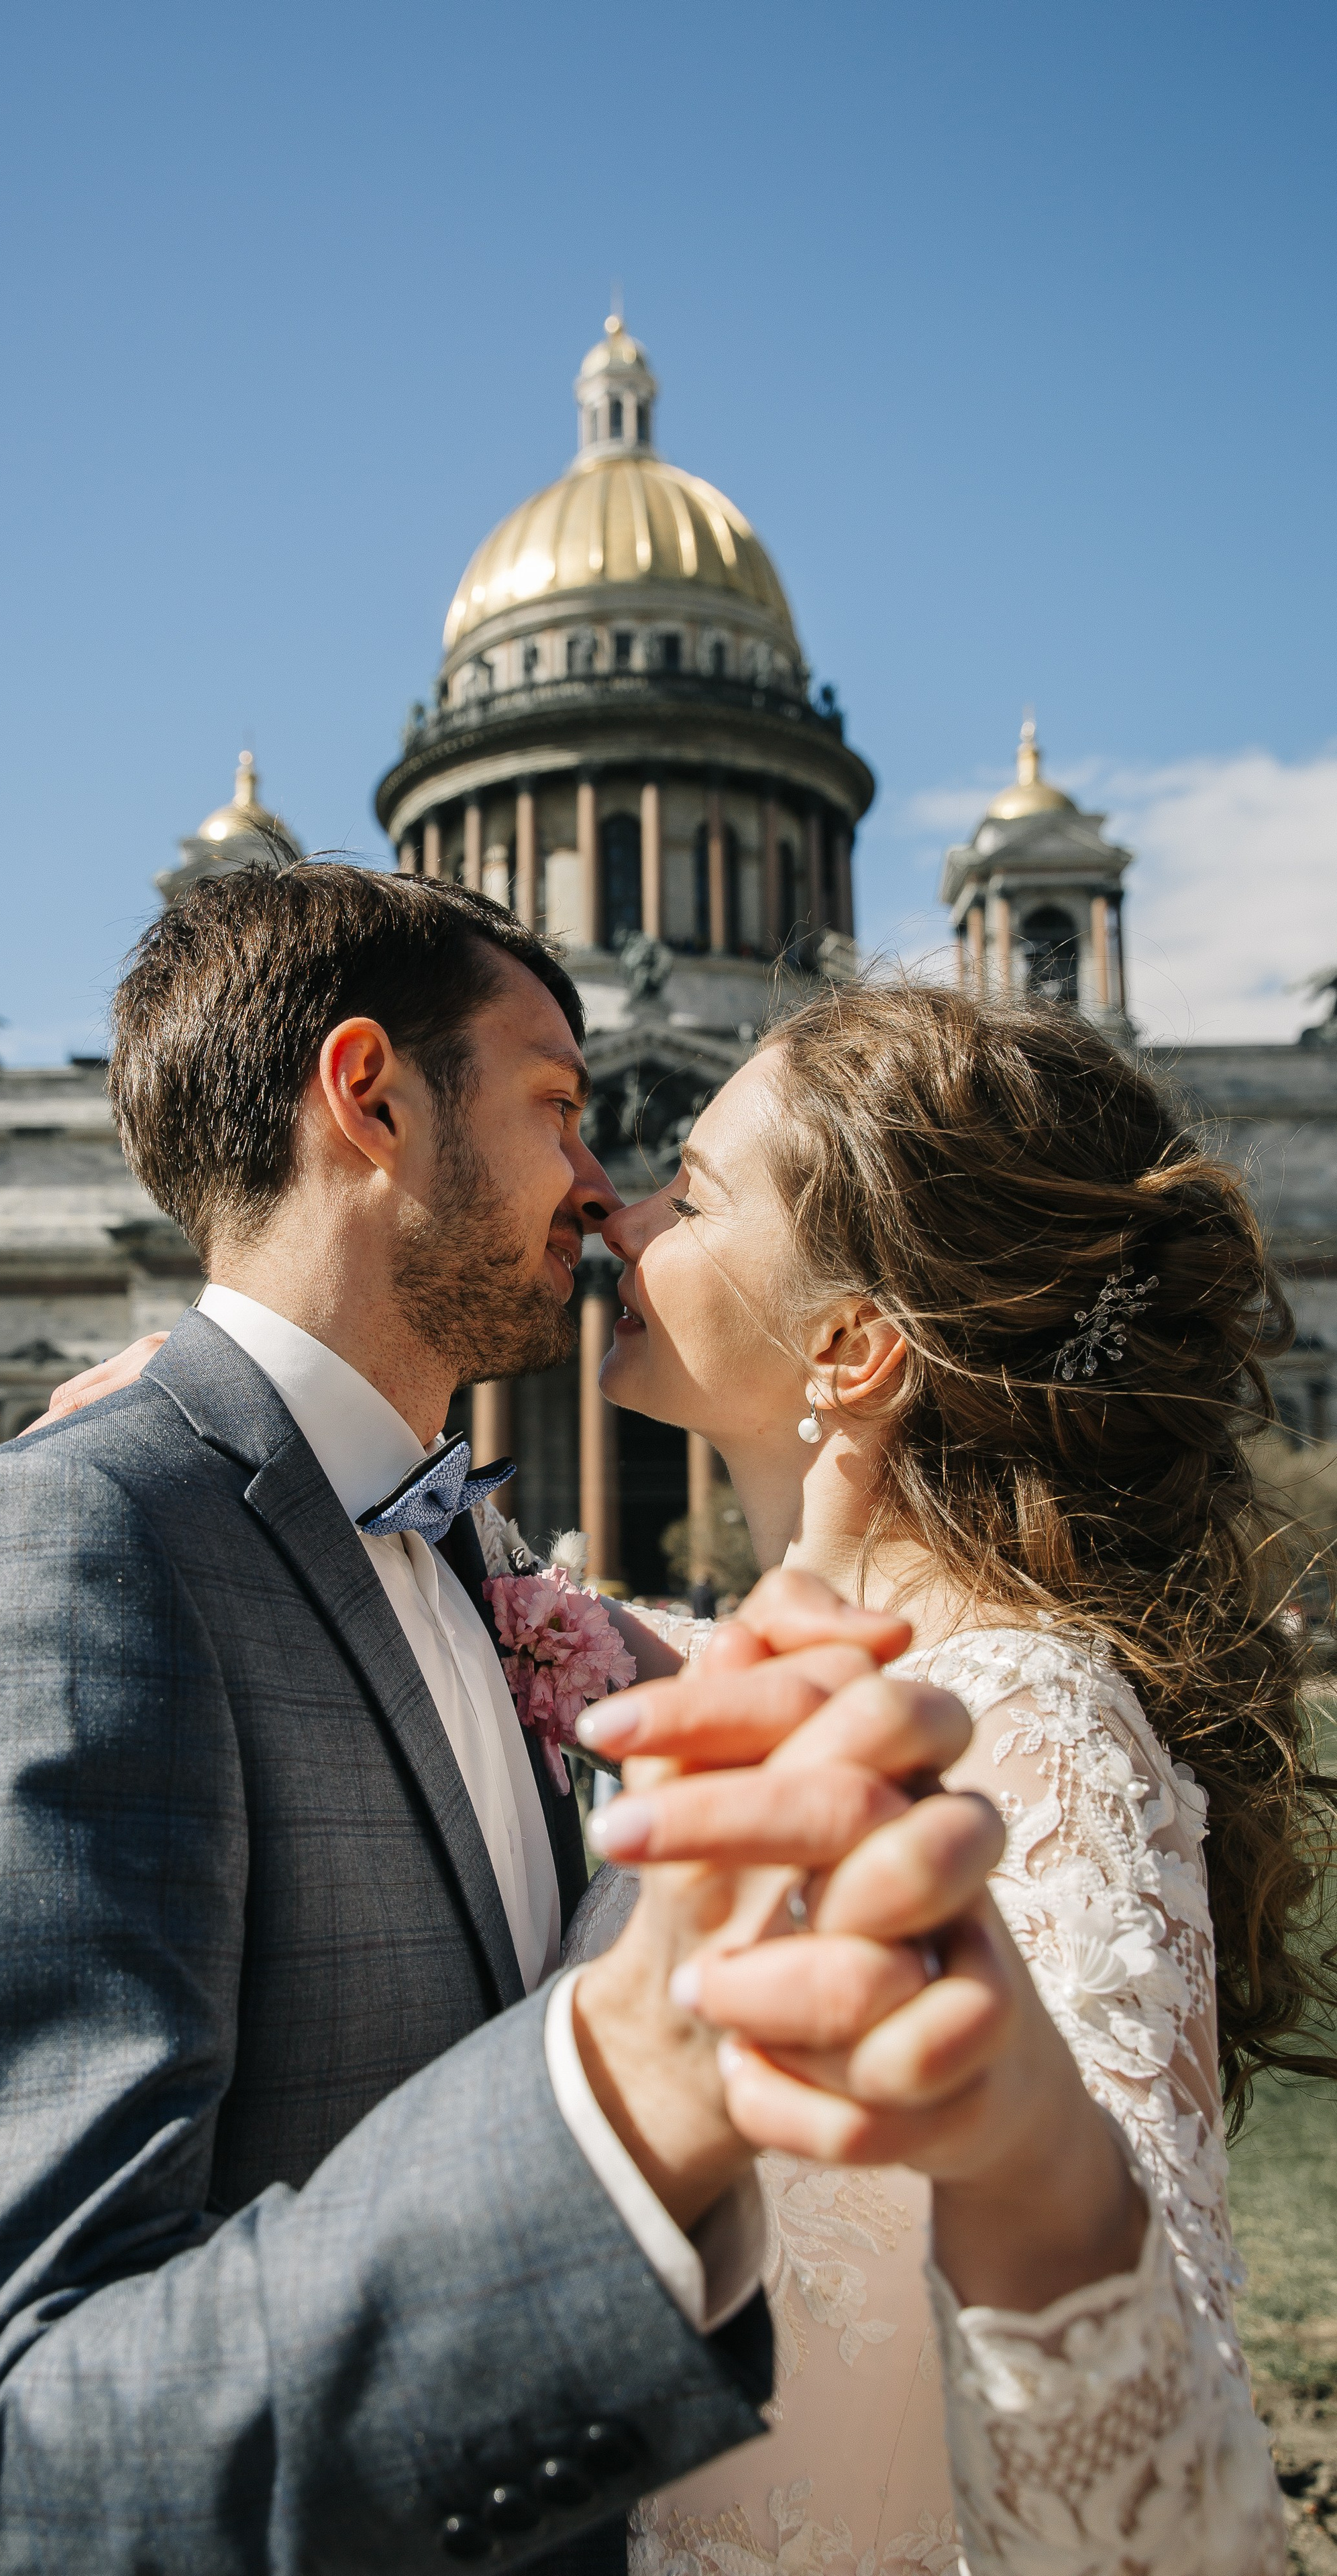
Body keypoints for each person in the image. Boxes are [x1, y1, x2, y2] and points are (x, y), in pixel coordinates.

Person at [0, 867, 1012, 2576]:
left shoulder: (478, 1555)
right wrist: (622, 2100)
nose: (604, 1182)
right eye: (556, 1105)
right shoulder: (70, 1543)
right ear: (370, 1097)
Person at [564, 981, 1318, 2573]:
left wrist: (1024, 2162)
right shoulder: (722, 1669)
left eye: (687, 1194)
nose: (614, 1219)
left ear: (845, 1346)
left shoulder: (1026, 1731)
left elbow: (1143, 2417)